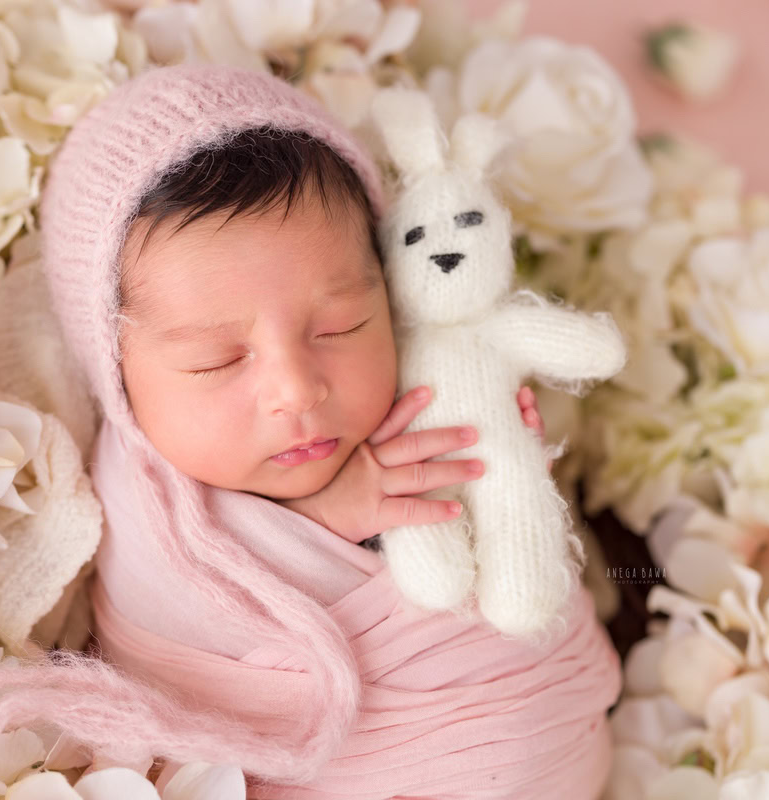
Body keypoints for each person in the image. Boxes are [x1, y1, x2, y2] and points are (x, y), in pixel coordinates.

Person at [35, 62, 623, 799]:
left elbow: (517, 556)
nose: (298, 390)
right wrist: (325, 517)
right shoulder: (139, 507)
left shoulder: (429, 388)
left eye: (340, 326)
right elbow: (179, 655)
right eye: (217, 360)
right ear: (115, 378)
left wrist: (500, 475)